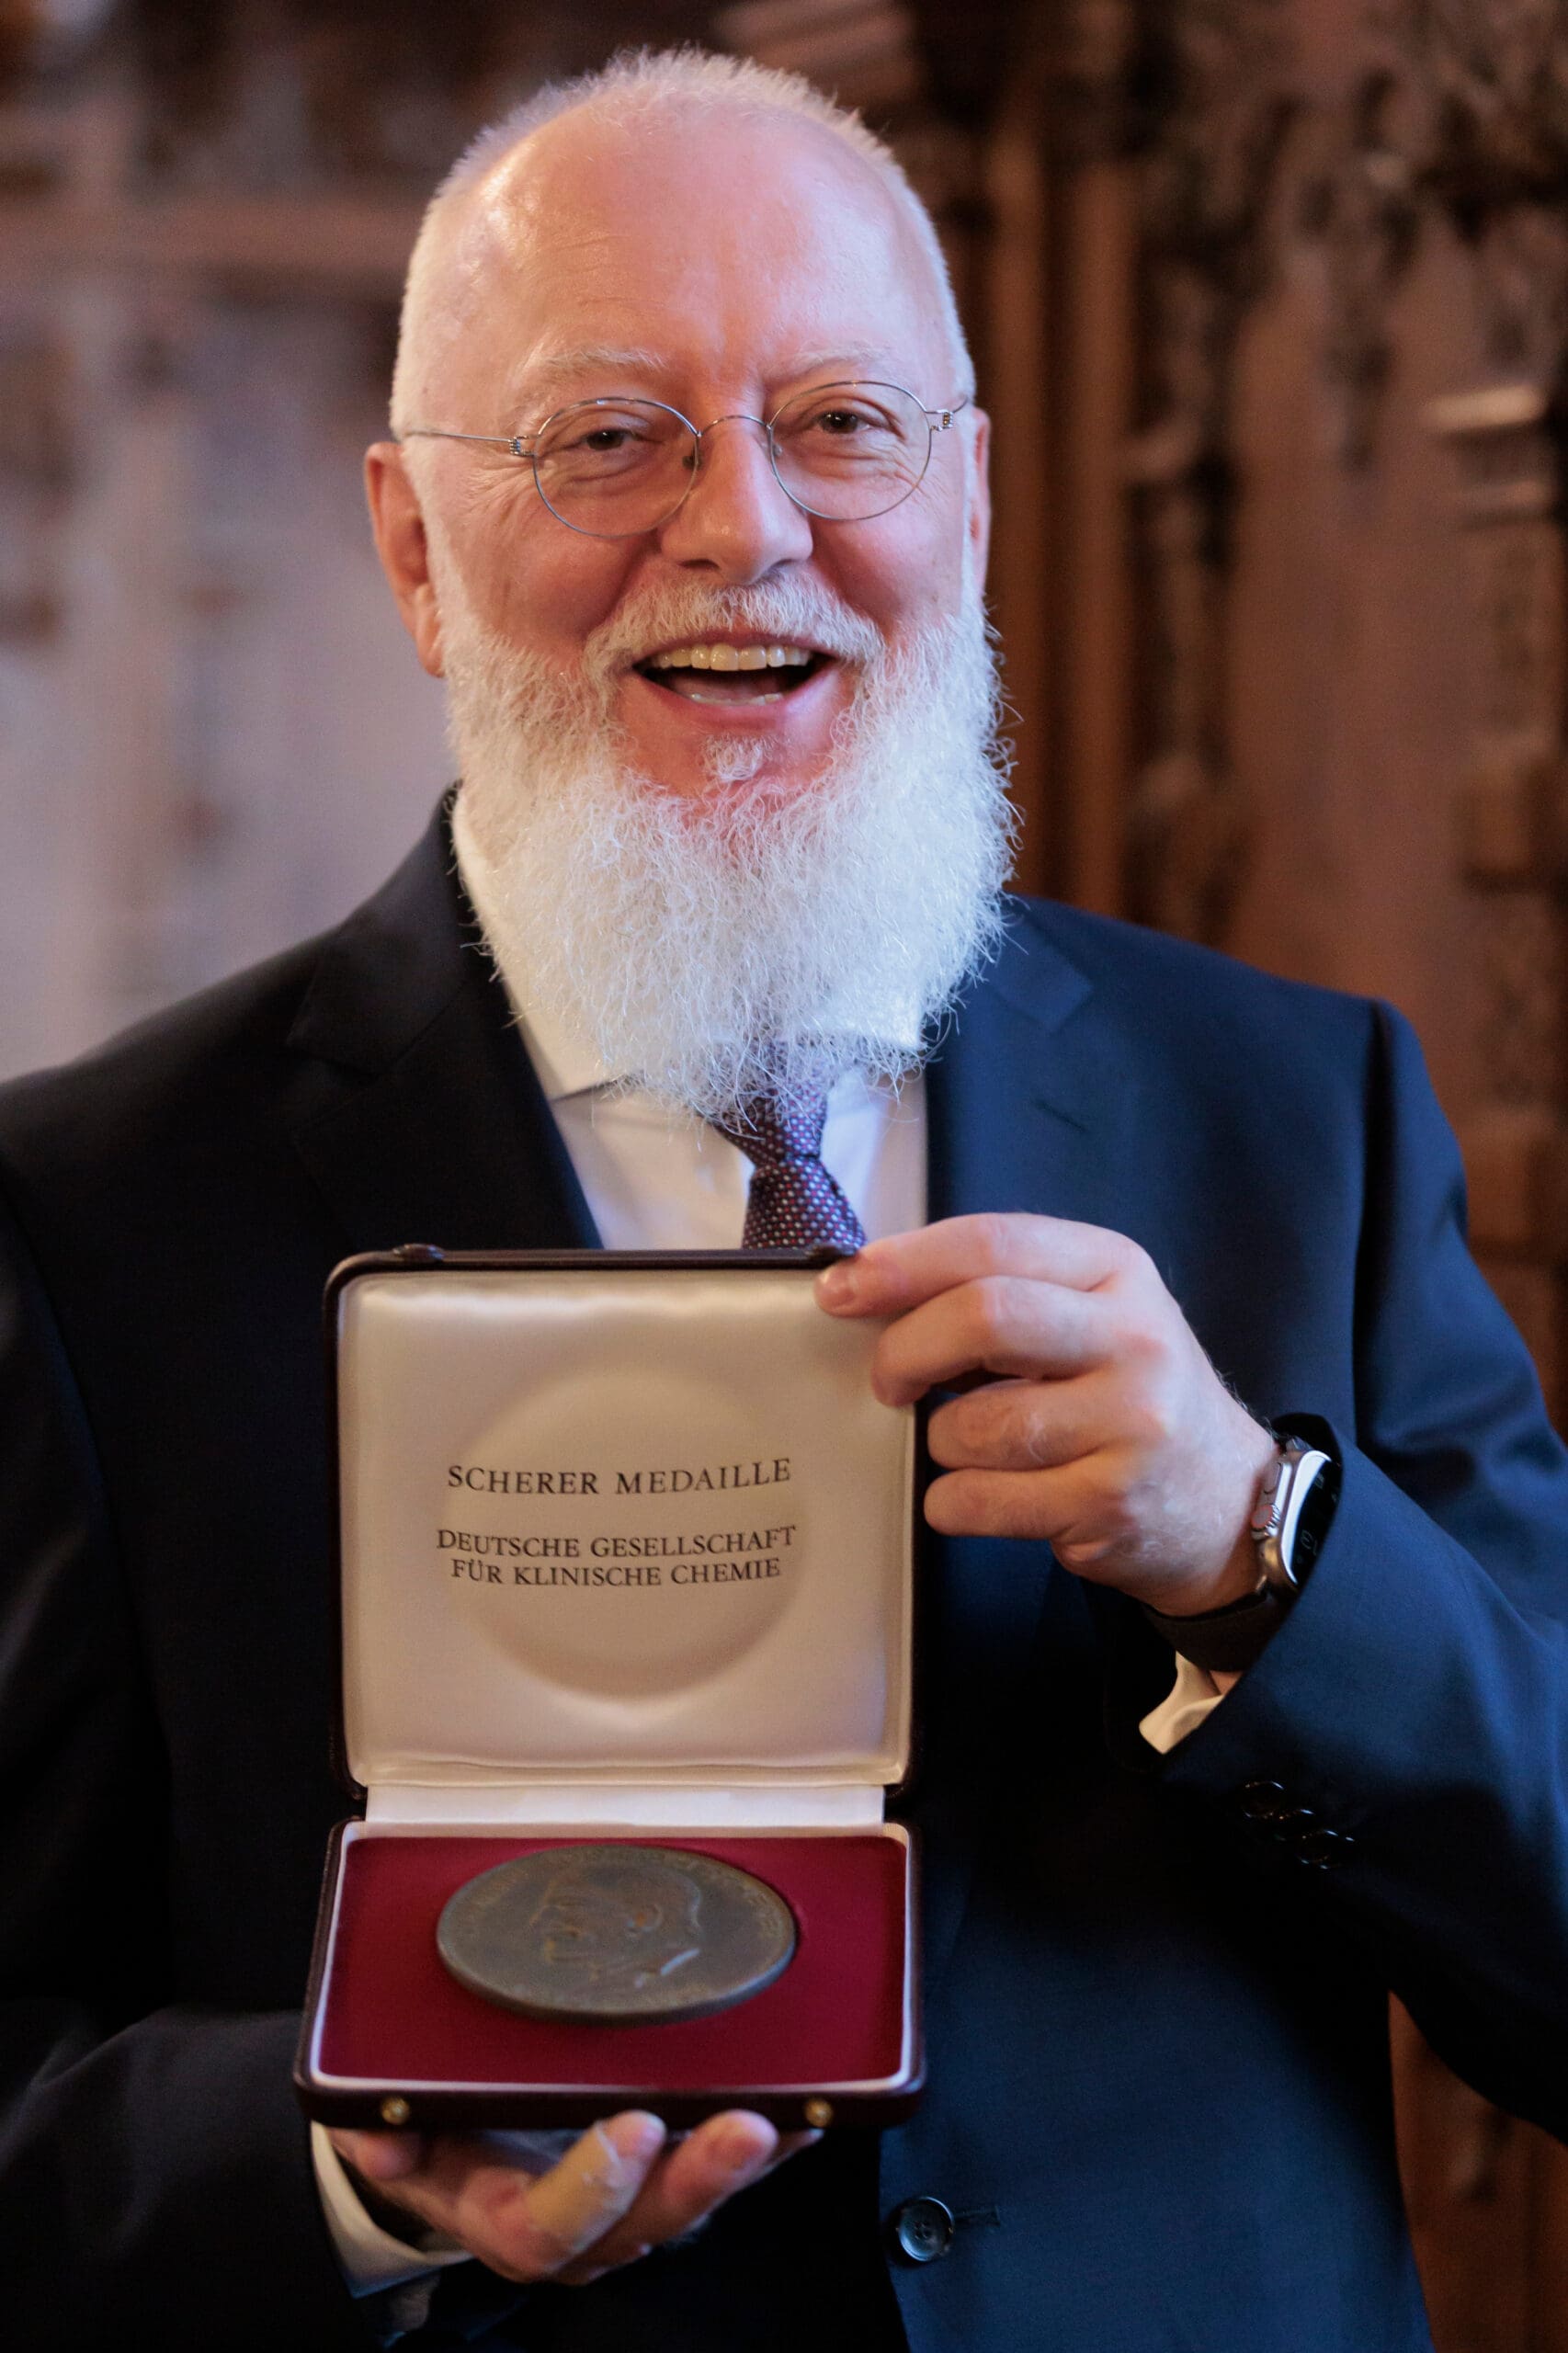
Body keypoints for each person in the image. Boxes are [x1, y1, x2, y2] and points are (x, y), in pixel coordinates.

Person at [2, 44, 1566, 2353]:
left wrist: (1260, 1545)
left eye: (844, 423)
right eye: (608, 433)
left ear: (974, 497)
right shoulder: (92, 1216)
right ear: (414, 548)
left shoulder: (1291, 1111)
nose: (744, 526)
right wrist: (342, 2168)